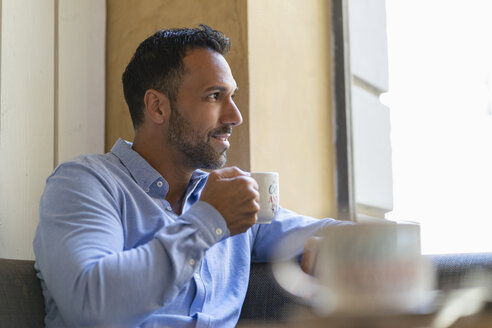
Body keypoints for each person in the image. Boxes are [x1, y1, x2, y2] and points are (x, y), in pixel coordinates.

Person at [33, 25, 346, 328]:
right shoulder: (85, 183)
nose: (235, 117)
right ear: (157, 107)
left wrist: (347, 248)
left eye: (232, 96)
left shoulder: (232, 204)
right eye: (213, 96)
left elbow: (327, 232)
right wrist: (209, 220)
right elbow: (92, 307)